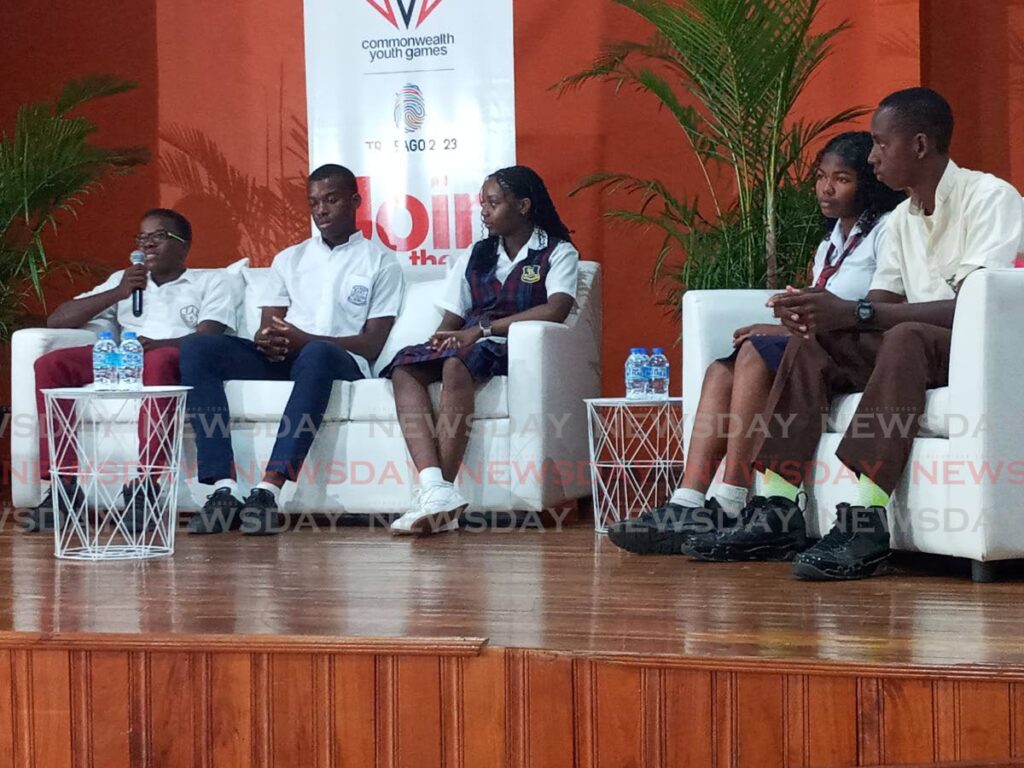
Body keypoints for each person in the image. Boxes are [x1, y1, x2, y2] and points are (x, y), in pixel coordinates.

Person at [681, 87, 1024, 579]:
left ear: (921, 146)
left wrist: (855, 313)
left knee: (905, 335)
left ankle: (867, 519)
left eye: (882, 144)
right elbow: (881, 302)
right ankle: (777, 507)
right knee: (814, 339)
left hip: (977, 349)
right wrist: (830, 315)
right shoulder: (903, 219)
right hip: (915, 345)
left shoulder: (989, 197)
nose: (873, 156)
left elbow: (974, 307)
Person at [608, 131, 904, 555]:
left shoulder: (888, 230)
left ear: (868, 183)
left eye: (841, 179)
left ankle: (730, 500)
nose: (826, 188)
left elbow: (872, 308)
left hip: (853, 346)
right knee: (719, 370)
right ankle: (688, 501)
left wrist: (784, 330)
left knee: (754, 352)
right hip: (818, 341)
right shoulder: (831, 240)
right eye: (821, 177)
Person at [180, 163, 404, 535]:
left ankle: (268, 489)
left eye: (331, 200)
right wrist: (265, 339)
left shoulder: (380, 262)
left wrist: (307, 340)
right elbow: (271, 326)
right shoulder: (289, 259)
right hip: (287, 357)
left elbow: (372, 344)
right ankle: (223, 488)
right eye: (313, 202)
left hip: (339, 359)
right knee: (198, 348)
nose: (321, 210)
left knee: (316, 354)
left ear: (355, 201)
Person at [382, 165, 579, 534]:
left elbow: (556, 308)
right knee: (405, 367)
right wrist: (440, 340)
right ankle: (434, 489)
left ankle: (442, 492)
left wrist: (482, 330)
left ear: (522, 205)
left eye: (493, 203)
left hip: (512, 344)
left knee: (457, 365)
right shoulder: (476, 254)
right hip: (470, 339)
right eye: (482, 203)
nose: (484, 211)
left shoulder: (556, 251)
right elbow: (452, 318)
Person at [27, 209, 235, 532]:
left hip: (170, 359)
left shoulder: (212, 281)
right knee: (50, 364)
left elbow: (209, 337)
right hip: (122, 359)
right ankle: (64, 487)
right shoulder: (125, 281)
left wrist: (158, 344)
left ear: (185, 245)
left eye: (159, 236)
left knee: (159, 360)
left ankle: (146, 487)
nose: (148, 245)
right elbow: (56, 320)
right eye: (142, 238)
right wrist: (118, 292)